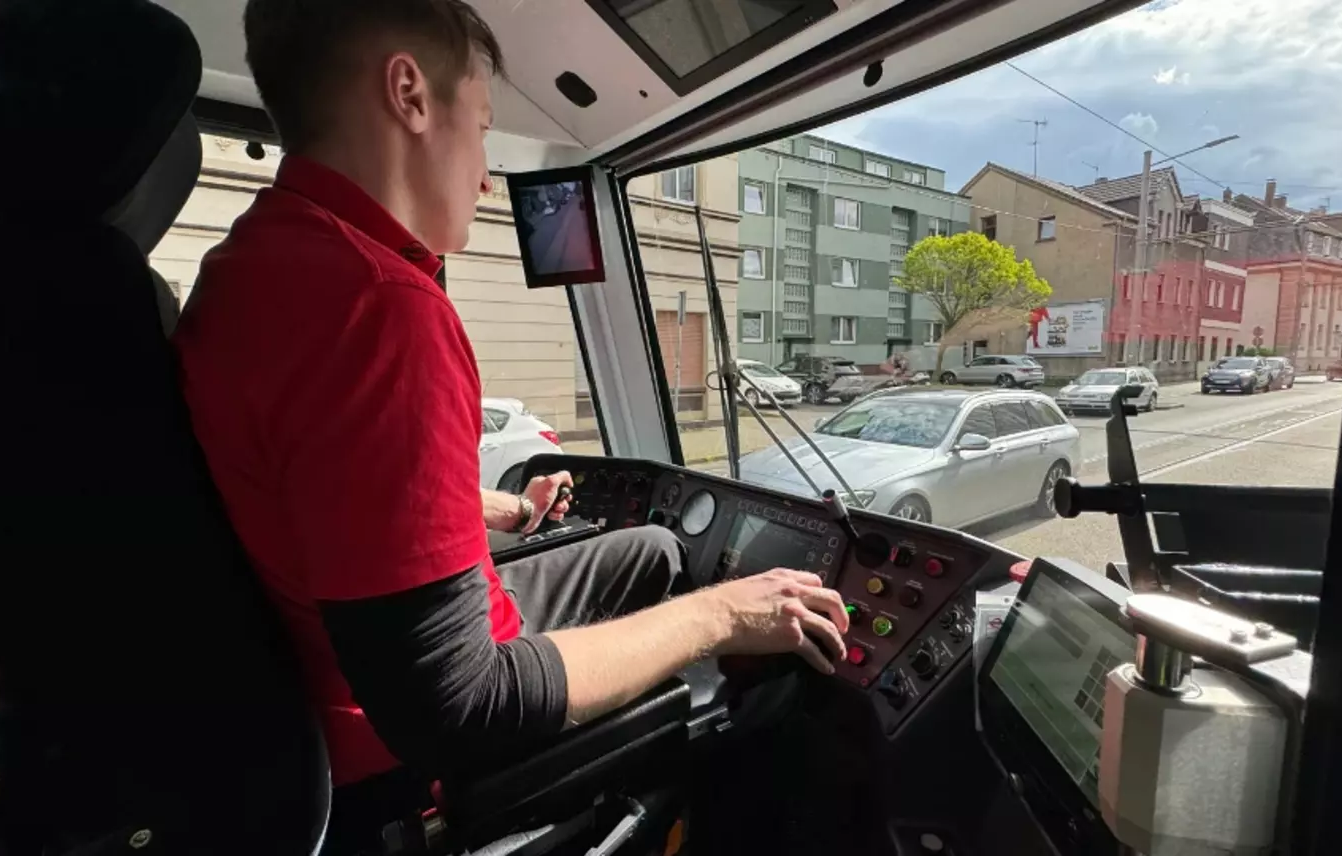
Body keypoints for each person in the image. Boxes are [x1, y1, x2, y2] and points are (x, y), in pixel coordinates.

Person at [171, 0, 849, 833]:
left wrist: (502, 511)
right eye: (484, 128)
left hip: (316, 689)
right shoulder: (381, 307)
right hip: (398, 764)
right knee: (764, 689)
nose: (488, 174)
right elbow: (458, 707)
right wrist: (727, 616)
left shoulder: (247, 261)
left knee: (659, 549)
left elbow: (321, 493)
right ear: (410, 95)